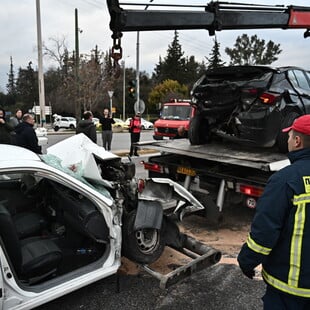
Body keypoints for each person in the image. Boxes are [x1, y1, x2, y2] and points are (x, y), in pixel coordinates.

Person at [238, 114, 310, 309]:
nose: (286, 140)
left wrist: (246, 261)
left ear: (297, 141)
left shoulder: (285, 180)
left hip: (290, 290)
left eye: (289, 136)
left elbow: (265, 233)